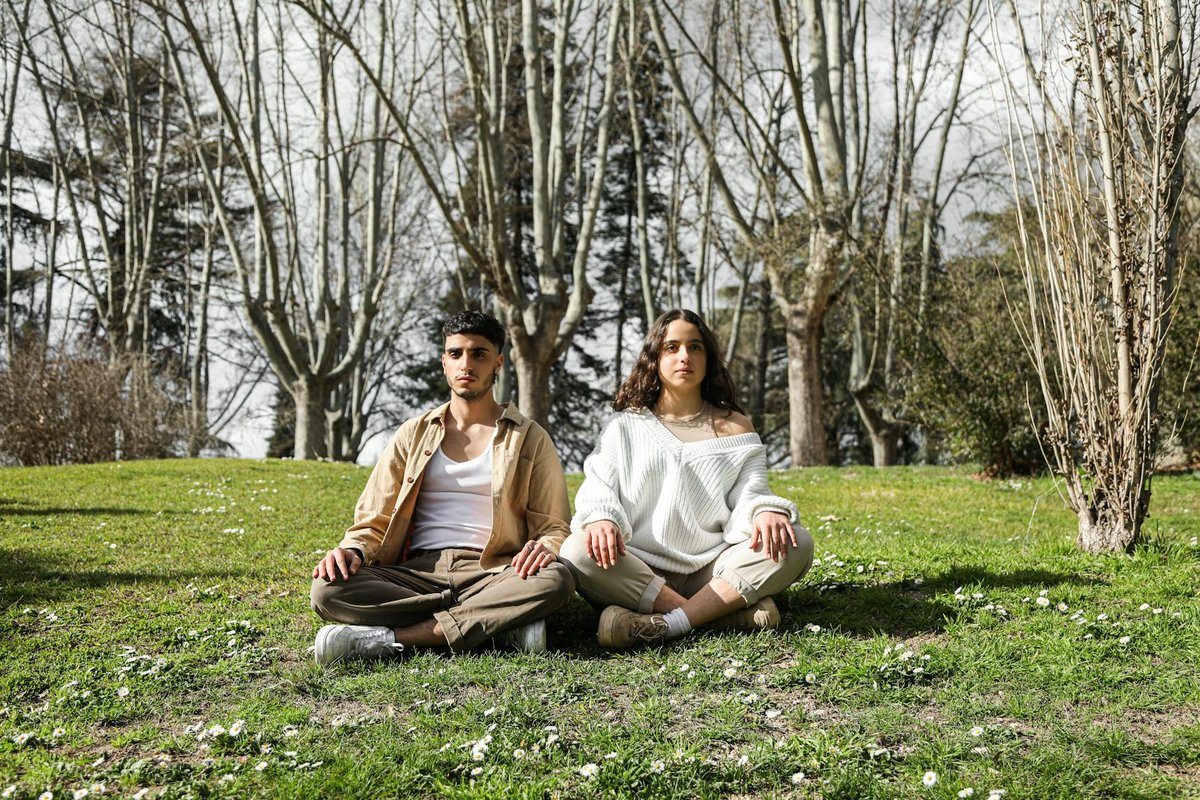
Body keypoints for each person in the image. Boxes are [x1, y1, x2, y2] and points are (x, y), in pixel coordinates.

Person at [310, 310, 574, 665]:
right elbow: (374, 516)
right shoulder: (413, 434)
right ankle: (496, 624)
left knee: (556, 580)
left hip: (492, 573)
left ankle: (394, 639)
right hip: (415, 575)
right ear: (444, 362)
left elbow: (554, 524)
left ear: (497, 363)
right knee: (328, 589)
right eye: (456, 353)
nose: (467, 363)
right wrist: (352, 550)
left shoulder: (529, 438)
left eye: (479, 353)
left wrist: (547, 547)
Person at [559, 309, 813, 649]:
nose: (684, 357)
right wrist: (602, 517)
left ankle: (666, 624)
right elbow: (597, 485)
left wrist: (764, 511)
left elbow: (752, 493)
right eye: (672, 347)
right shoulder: (626, 426)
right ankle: (717, 614)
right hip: (640, 569)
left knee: (796, 542)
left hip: (713, 569)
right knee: (576, 549)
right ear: (655, 358)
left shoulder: (735, 425)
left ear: (708, 357)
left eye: (695, 347)